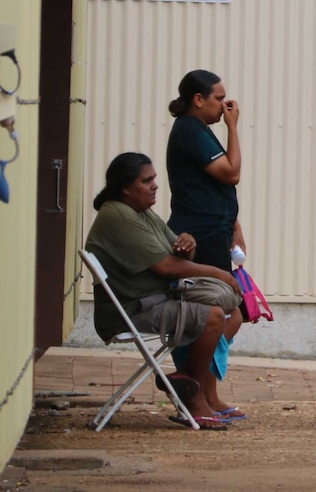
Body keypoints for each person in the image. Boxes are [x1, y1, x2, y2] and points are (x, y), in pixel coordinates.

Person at [85, 152, 243, 431]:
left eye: (154, 179)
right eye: (147, 181)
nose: (155, 185)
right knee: (214, 316)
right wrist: (220, 273)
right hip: (133, 310)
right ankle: (193, 396)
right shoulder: (118, 216)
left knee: (228, 310)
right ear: (125, 187)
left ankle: (183, 379)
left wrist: (188, 244)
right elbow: (167, 267)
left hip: (152, 301)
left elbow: (178, 255)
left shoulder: (141, 212)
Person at [166, 69, 246, 421]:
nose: (224, 104)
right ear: (198, 100)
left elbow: (219, 189)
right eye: (218, 98)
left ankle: (205, 391)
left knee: (231, 313)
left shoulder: (200, 131)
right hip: (198, 235)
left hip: (215, 231)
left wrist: (234, 226)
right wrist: (233, 127)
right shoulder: (189, 130)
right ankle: (194, 387)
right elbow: (231, 173)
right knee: (218, 313)